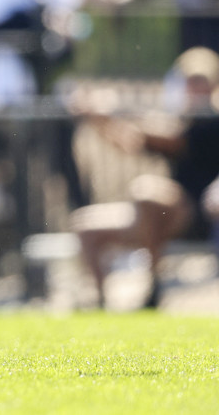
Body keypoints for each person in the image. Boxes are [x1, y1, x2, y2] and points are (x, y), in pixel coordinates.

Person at [70, 46, 219, 309]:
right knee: (85, 226)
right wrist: (97, 119)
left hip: (197, 214)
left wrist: (112, 112)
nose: (193, 88)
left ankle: (152, 287)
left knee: (146, 192)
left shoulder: (211, 121)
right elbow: (130, 141)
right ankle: (100, 303)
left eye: (200, 81)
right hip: (158, 215)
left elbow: (166, 138)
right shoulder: (183, 117)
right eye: (189, 81)